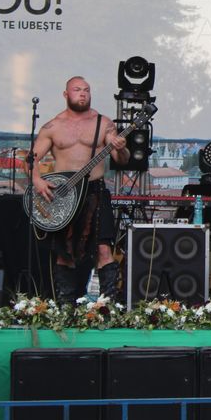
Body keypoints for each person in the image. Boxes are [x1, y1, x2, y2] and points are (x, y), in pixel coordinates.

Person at [30, 76, 129, 303]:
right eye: (77, 89)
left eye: (86, 90)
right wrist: (37, 180)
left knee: (104, 249)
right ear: (66, 94)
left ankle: (108, 306)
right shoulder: (53, 126)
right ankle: (66, 307)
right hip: (64, 194)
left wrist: (122, 148)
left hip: (96, 191)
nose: (82, 93)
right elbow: (30, 159)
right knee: (65, 253)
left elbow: (121, 159)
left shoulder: (103, 123)